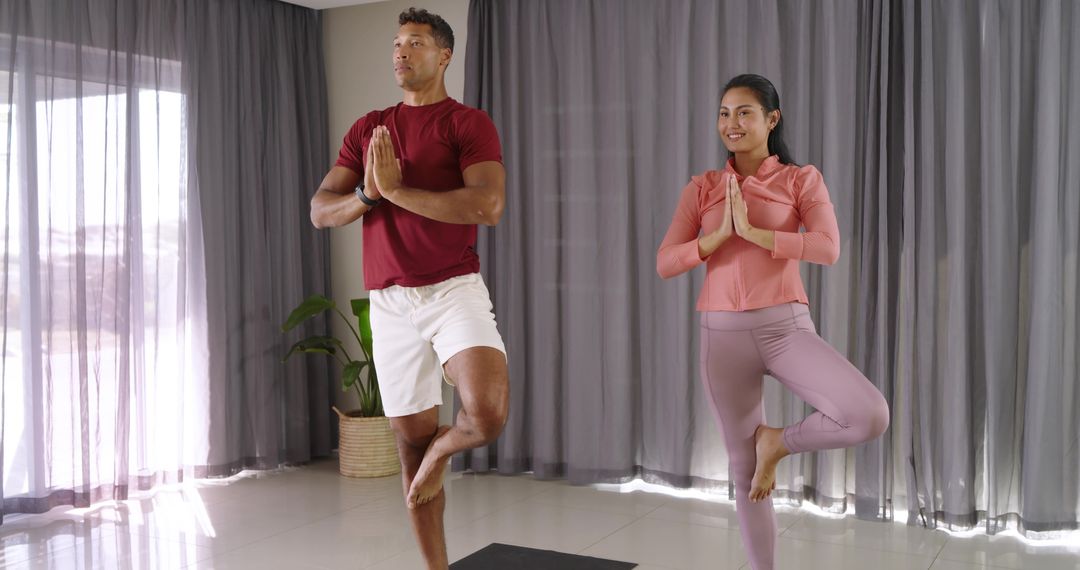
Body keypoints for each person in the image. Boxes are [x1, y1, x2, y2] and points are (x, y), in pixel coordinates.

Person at [656, 74, 890, 570]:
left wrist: (755, 233)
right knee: (744, 472)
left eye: (744, 112)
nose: (732, 123)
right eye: (724, 113)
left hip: (786, 330)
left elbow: (827, 247)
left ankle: (777, 442)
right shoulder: (702, 188)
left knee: (868, 413)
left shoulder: (801, 179)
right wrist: (717, 237)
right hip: (722, 340)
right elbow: (666, 262)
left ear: (771, 119)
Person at [309, 8, 508, 569]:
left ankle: (442, 451)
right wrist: (368, 197)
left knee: (486, 415)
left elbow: (487, 205)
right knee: (410, 450)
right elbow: (321, 210)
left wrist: (395, 192)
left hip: (453, 290)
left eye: (415, 42)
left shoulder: (467, 123)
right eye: (397, 43)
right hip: (390, 302)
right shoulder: (370, 128)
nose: (400, 51)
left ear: (444, 56)